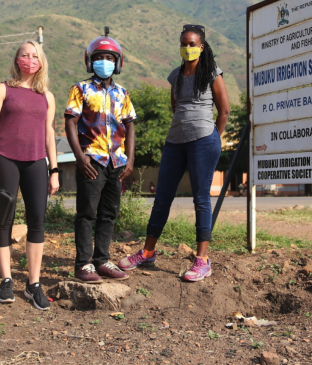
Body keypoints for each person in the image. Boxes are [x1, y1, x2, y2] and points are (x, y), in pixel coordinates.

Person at [118, 24, 230, 282]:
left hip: (204, 140)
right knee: (162, 198)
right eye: (184, 44)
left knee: (201, 199)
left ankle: (202, 261)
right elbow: (175, 107)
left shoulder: (212, 72)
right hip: (175, 142)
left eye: (192, 44)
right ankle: (147, 252)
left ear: (201, 47)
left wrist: (214, 138)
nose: (188, 48)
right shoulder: (175, 77)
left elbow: (224, 111)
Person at [0, 39, 59, 309]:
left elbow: (49, 135)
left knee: (37, 222)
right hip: (5, 160)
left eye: (35, 56)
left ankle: (33, 284)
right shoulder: (2, 89)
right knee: (4, 220)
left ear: (41, 62)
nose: (29, 60)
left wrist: (54, 170)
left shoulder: (46, 96)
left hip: (36, 162)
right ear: (17, 60)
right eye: (24, 55)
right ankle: (6, 280)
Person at [64, 28, 136, 283]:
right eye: (99, 57)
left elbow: (129, 125)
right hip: (92, 161)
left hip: (117, 162)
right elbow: (70, 122)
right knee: (86, 214)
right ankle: (83, 264)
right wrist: (80, 157)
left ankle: (102, 260)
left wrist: (130, 158)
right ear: (89, 60)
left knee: (109, 213)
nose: (104, 62)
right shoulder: (80, 89)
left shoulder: (122, 93)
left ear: (117, 63)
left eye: (109, 58)